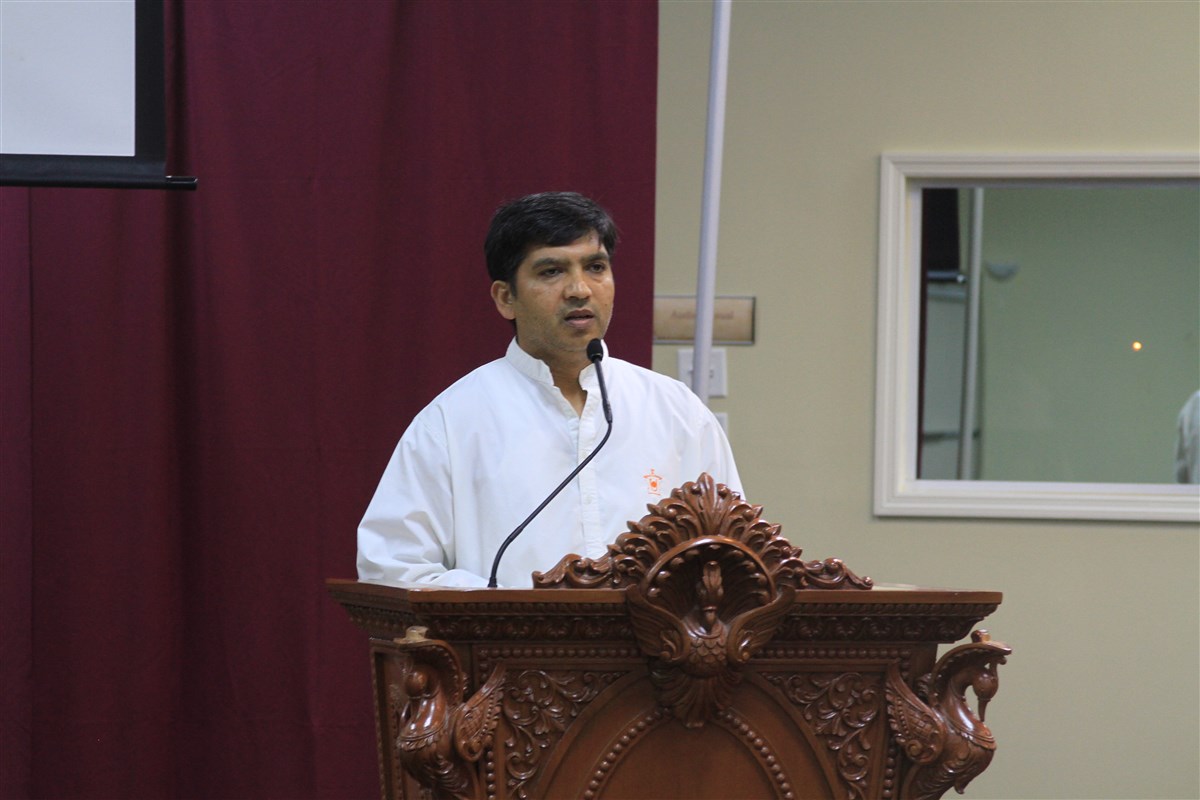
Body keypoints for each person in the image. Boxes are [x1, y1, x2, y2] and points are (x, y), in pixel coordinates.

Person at [356, 191, 742, 588]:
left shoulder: (676, 411)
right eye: (551, 271)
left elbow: (732, 555)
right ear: (506, 298)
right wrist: (508, 610)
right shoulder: (452, 422)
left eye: (595, 267)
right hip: (503, 631)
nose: (580, 289)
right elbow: (392, 570)